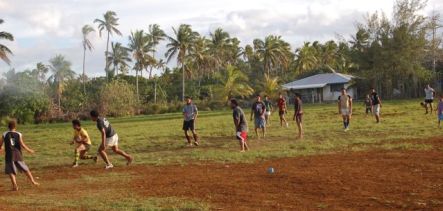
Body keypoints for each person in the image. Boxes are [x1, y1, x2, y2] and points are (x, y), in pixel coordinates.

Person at [0, 120, 39, 191]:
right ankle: (33, 182)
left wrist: (1, 148)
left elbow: (0, 143)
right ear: (15, 126)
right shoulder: (19, 134)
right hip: (17, 154)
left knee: (11, 171)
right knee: (25, 169)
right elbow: (22, 144)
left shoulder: (5, 134)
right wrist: (29, 150)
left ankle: (15, 186)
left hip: (9, 155)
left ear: (8, 127)